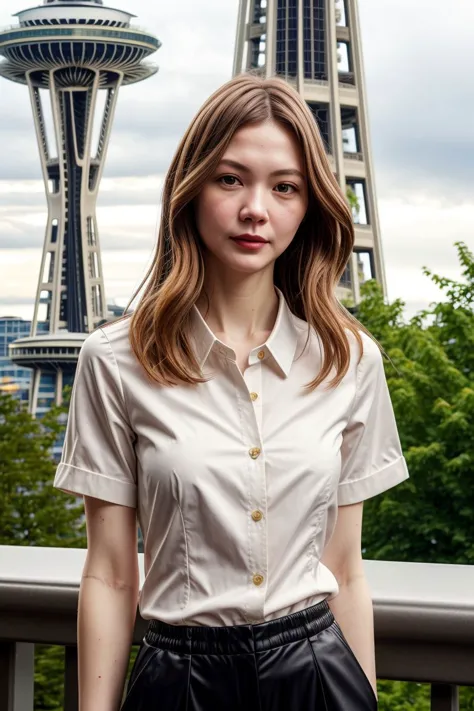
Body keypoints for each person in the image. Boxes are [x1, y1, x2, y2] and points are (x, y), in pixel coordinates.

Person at [54, 73, 409, 711]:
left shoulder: (349, 361)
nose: (256, 209)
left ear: (308, 206)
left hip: (317, 674)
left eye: (285, 187)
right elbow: (109, 575)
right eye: (229, 179)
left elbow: (347, 569)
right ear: (189, 192)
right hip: (178, 680)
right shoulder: (115, 361)